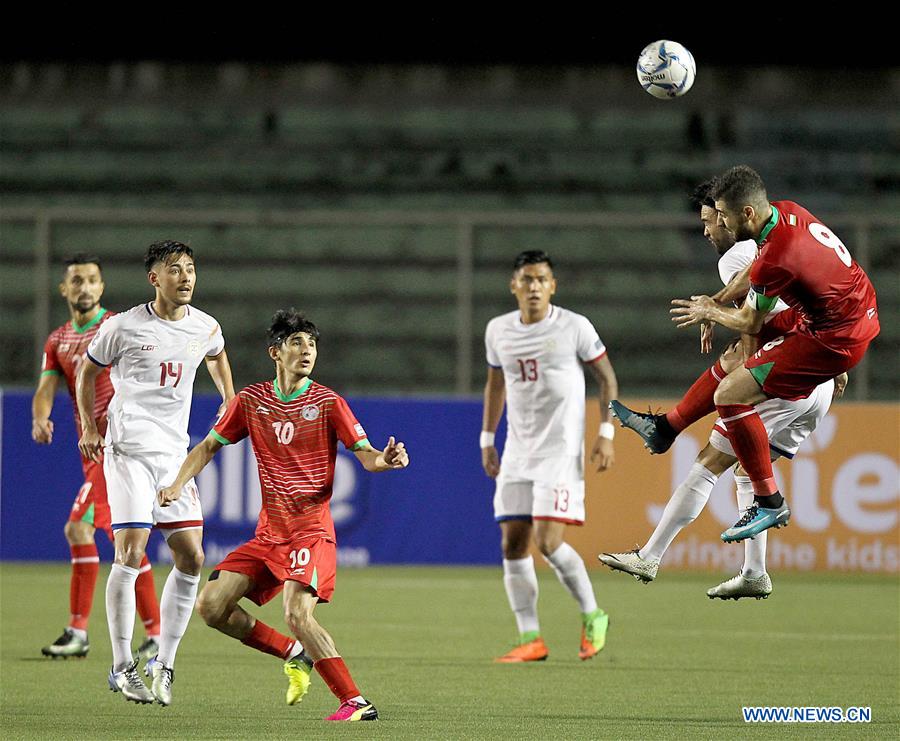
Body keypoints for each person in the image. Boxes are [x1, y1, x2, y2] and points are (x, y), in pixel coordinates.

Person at [158, 309, 408, 721]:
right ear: (275, 352)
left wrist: (386, 459)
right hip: (269, 536)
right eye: (297, 343)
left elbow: (366, 457)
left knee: (297, 612)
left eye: (311, 344)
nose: (307, 351)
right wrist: (177, 484)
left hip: (311, 532)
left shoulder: (328, 403)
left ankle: (356, 702)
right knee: (211, 606)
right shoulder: (251, 401)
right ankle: (292, 653)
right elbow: (207, 447)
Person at [600, 182, 846, 599]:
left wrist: (744, 357)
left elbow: (755, 319)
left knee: (710, 458)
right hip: (817, 373)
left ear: (732, 216)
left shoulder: (737, 253)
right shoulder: (786, 232)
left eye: (710, 220)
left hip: (786, 379)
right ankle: (754, 573)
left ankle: (650, 555)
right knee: (744, 467)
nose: (707, 230)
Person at [668, 166, 879, 543]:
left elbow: (750, 319)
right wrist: (719, 300)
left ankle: (769, 500)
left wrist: (708, 310)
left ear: (747, 213)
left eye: (726, 216)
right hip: (855, 312)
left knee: (730, 395)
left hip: (833, 337)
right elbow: (761, 269)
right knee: (736, 373)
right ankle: (671, 426)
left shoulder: (778, 255)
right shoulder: (787, 211)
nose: (724, 224)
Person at [77, 241, 235, 705]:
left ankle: (163, 663)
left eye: (190, 269)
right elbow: (88, 372)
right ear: (154, 279)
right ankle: (122, 665)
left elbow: (217, 353)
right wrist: (90, 425)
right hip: (127, 452)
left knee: (192, 557)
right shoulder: (122, 326)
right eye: (175, 270)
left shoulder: (205, 325)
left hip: (173, 455)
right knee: (130, 551)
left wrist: (228, 396)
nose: (185, 277)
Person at [482, 250, 618, 663]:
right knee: (512, 544)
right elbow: (495, 385)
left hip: (560, 452)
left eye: (542, 279)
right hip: (518, 450)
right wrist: (487, 439)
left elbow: (607, 378)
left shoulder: (574, 326)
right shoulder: (498, 330)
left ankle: (594, 614)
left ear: (552, 286)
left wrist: (606, 433)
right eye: (527, 279)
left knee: (547, 540)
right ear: (514, 286)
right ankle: (531, 638)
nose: (534, 287)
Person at [33, 253, 161, 661]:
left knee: (79, 529)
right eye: (77, 280)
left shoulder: (116, 326)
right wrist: (41, 418)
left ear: (102, 287)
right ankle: (156, 632)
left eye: (92, 280)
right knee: (124, 540)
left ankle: (78, 631)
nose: (84, 287)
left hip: (118, 447)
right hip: (93, 452)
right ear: (64, 289)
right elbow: (46, 389)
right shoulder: (58, 340)